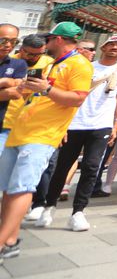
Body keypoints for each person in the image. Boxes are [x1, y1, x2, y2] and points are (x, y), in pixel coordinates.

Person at [0, 21, 92, 264]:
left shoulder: (80, 65)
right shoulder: (52, 64)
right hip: (22, 129)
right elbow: (39, 93)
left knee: (21, 187)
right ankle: (10, 240)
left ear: (58, 39)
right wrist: (27, 87)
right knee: (9, 189)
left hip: (43, 134)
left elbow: (76, 99)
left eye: (48, 39)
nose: (45, 44)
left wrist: (47, 89)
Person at [36, 33, 117, 229]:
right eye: (111, 44)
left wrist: (115, 125)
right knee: (62, 166)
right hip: (75, 122)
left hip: (101, 124)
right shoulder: (86, 66)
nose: (114, 48)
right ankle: (49, 206)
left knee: (91, 168)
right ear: (103, 47)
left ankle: (78, 211)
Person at [0, 25, 29, 152]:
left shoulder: (18, 64)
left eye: (13, 41)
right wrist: (5, 82)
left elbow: (16, 93)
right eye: (3, 40)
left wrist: (6, 81)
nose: (8, 45)